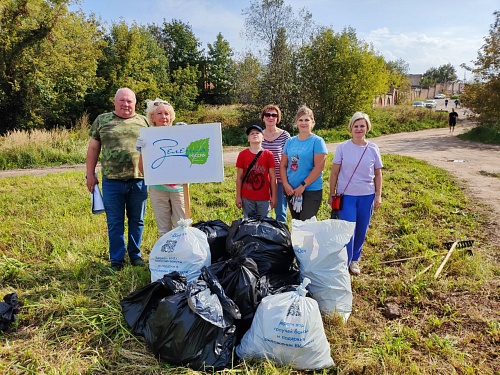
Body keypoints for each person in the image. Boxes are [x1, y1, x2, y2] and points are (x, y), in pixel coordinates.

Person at [86, 87, 149, 272]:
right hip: (112, 181)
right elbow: (92, 150)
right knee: (115, 222)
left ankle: (135, 255)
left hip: (139, 180)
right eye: (122, 100)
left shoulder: (144, 121)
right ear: (115, 102)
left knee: (137, 220)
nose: (126, 104)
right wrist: (90, 174)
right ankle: (117, 260)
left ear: (135, 103)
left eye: (129, 101)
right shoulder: (102, 120)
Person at [328, 112, 383, 275]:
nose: (359, 129)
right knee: (347, 229)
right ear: (351, 128)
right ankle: (344, 261)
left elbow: (378, 174)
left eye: (362, 126)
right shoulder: (342, 147)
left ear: (367, 128)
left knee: (361, 229)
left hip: (367, 196)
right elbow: (334, 173)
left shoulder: (373, 148)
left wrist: (378, 195)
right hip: (347, 197)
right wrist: (332, 193)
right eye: (356, 126)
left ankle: (354, 260)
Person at [137, 98, 186, 237]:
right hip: (158, 189)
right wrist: (142, 150)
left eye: (166, 113)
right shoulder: (147, 137)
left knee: (182, 226)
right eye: (159, 113)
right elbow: (143, 169)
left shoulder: (180, 133)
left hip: (179, 188)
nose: (164, 117)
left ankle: (183, 256)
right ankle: (167, 257)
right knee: (163, 229)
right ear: (152, 116)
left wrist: (188, 135)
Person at [280, 106, 328, 221]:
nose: (303, 123)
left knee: (307, 224)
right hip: (291, 190)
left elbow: (319, 167)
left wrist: (303, 186)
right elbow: (283, 165)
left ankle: (310, 240)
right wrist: (286, 185)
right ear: (296, 122)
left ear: (312, 122)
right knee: (297, 224)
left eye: (307, 120)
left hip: (310, 190)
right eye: (300, 120)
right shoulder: (290, 141)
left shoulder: (317, 141)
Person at [236, 125, 277, 218]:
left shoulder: (268, 154)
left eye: (257, 133)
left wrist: (274, 196)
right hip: (247, 197)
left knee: (264, 224)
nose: (255, 135)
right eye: (252, 133)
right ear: (248, 139)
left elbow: (273, 177)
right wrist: (238, 196)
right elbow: (239, 177)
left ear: (263, 138)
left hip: (264, 197)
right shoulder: (242, 154)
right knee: (249, 224)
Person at [261, 104, 290, 223]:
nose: (270, 117)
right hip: (263, 180)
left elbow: (289, 157)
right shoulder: (258, 135)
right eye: (267, 114)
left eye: (274, 115)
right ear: (263, 118)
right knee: (263, 213)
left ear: (278, 118)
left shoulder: (285, 136)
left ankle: (281, 239)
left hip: (280, 180)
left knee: (281, 213)